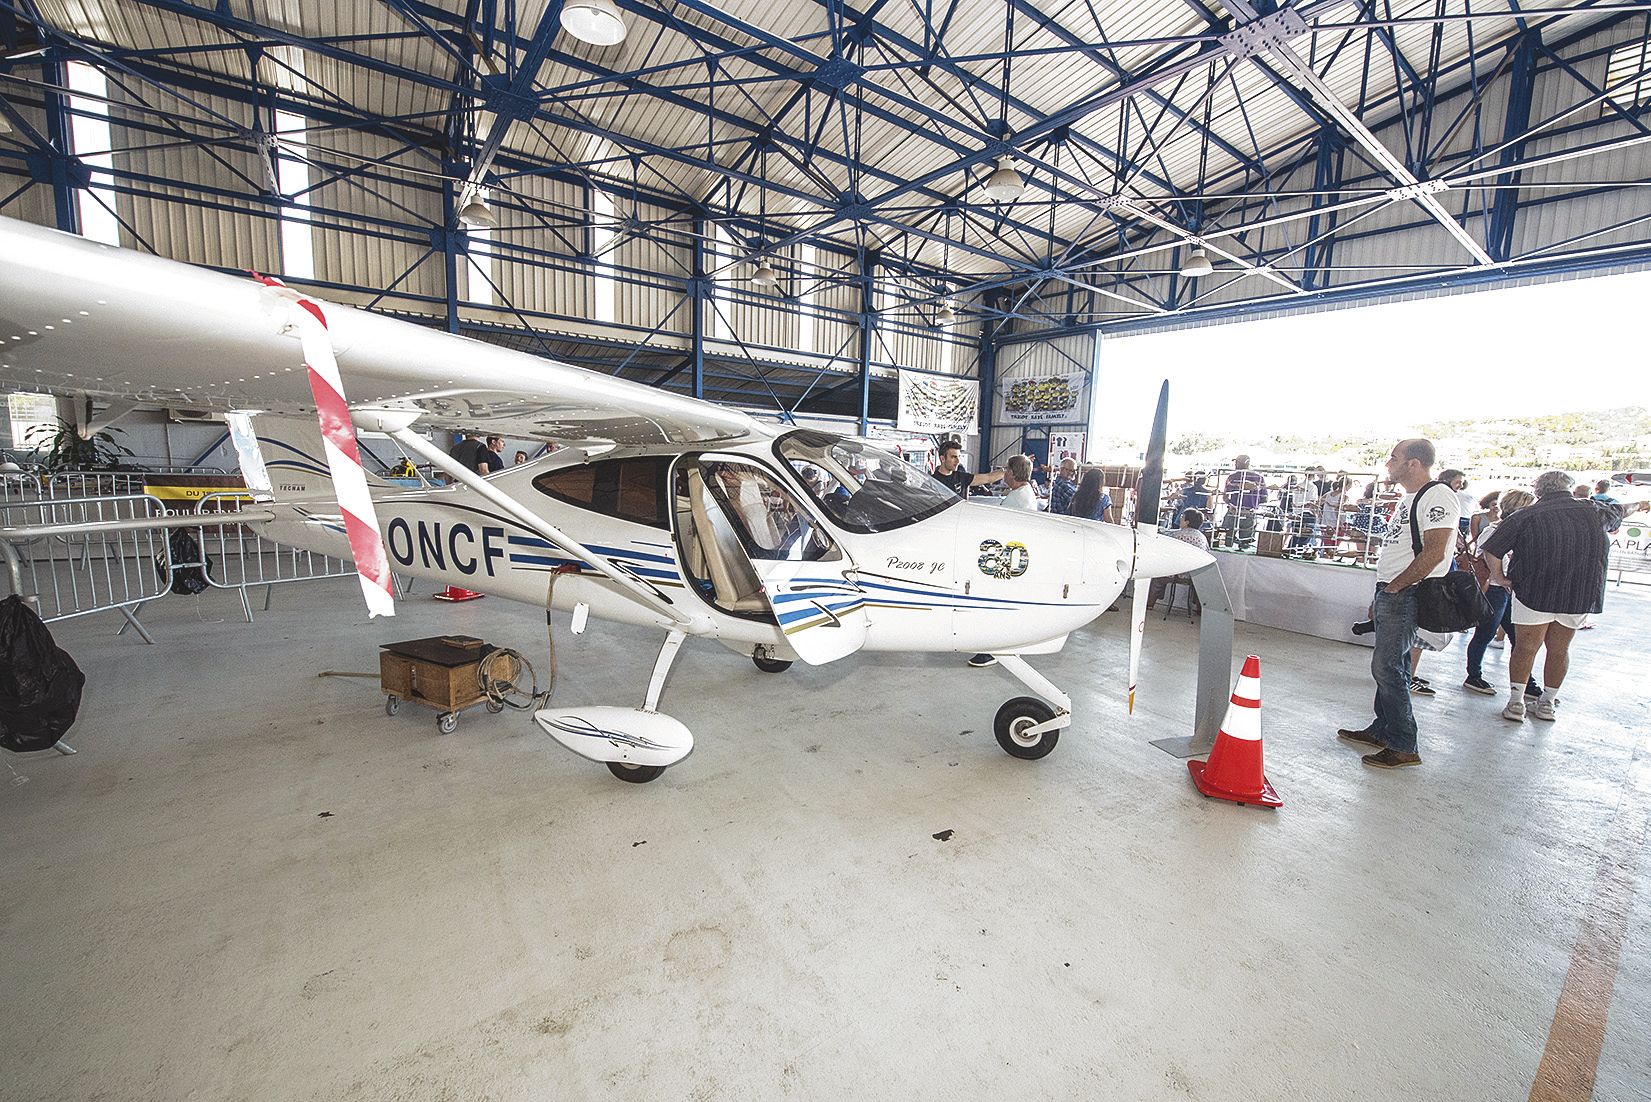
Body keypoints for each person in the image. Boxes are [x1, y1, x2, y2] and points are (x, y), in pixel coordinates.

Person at [1336, 438, 1459, 769]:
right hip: (1393, 590)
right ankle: (1384, 729)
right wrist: (1383, 592)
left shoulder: (1437, 496)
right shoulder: (1410, 499)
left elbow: (1435, 551)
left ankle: (1404, 743)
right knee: (1396, 664)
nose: (1388, 464)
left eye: (1394, 458)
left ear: (1414, 463)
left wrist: (1395, 587)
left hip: (1407, 591)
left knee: (1386, 666)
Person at [1480, 470, 1611, 722]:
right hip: (1578, 592)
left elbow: (1493, 549)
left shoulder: (1526, 515)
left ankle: (1516, 702)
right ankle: (1547, 703)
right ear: (1569, 489)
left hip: (1534, 590)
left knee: (1526, 648)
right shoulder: (1594, 511)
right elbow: (1618, 516)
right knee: (1560, 649)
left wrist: (1500, 578)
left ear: (1538, 492)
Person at [969, 455, 1039, 668]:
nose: (1004, 473)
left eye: (1006, 470)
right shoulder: (1023, 493)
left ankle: (992, 649)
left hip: (1007, 559)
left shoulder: (1017, 498)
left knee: (993, 605)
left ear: (1012, 473)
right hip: (1013, 556)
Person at [1463, 489, 1533, 695]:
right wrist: (1503, 578)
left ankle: (1526, 681)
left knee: (1517, 638)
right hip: (1494, 589)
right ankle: (1473, 676)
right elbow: (1489, 557)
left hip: (1506, 590)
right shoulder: (1494, 530)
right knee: (1485, 633)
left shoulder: (1510, 530)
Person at [1146, 508, 1209, 611]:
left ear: (1187, 522)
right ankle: (1199, 609)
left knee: (1157, 577)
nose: (1180, 519)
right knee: (1199, 585)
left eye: (1182, 518)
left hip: (1175, 571)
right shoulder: (1202, 538)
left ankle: (1149, 604)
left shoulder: (1177, 535)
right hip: (1194, 574)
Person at [1221, 455, 1265, 547]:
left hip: (1233, 512)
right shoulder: (1259, 478)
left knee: (1227, 541)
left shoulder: (1232, 477)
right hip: (1249, 513)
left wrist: (1231, 504)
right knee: (1246, 544)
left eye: (1237, 462)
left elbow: (1225, 496)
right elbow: (1264, 498)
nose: (1235, 464)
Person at [933, 440, 1003, 498]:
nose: (957, 461)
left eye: (958, 457)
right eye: (953, 457)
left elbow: (988, 478)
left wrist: (1006, 471)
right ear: (942, 459)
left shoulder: (962, 477)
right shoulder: (932, 482)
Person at [1440, 468, 1473, 535]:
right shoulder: (1440, 496)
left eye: (1462, 483)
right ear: (1446, 481)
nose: (1461, 486)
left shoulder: (1450, 496)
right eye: (1458, 482)